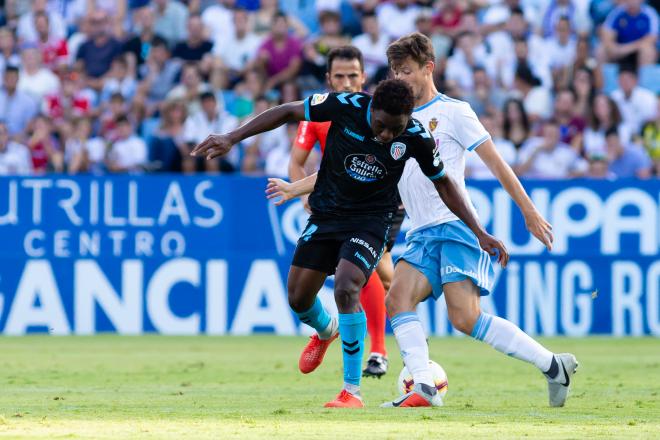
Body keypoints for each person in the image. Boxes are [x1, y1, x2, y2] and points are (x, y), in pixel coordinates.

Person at [269, 33, 577, 408]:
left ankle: (553, 365)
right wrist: (295, 189)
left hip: (454, 226)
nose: (399, 77)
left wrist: (528, 210)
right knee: (397, 300)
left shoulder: (454, 112)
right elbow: (342, 171)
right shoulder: (392, 116)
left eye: (407, 70)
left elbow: (496, 164)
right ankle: (424, 388)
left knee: (465, 318)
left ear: (428, 68)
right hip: (422, 229)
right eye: (395, 70)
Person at [191, 78, 507, 408]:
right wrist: (231, 136)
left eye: (394, 130)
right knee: (298, 297)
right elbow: (287, 111)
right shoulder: (346, 105)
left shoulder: (416, 136)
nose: (386, 135)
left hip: (372, 221)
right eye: (381, 126)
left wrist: (478, 231)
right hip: (327, 214)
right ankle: (327, 330)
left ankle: (351, 392)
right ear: (372, 109)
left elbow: (445, 184)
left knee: (346, 286)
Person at [288, 46, 396, 378]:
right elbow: (296, 161)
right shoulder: (320, 111)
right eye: (340, 76)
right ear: (328, 79)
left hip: (379, 202)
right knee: (374, 275)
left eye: (353, 76)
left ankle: (377, 351)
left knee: (374, 275)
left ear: (364, 77)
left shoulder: (381, 113)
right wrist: (301, 195)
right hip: (336, 201)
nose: (347, 82)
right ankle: (371, 346)